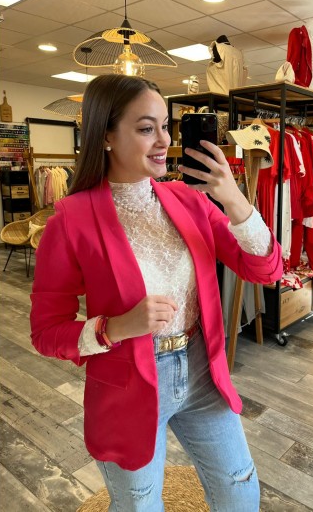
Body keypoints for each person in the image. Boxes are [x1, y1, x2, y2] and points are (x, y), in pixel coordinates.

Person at [30, 74, 283, 512]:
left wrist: (234, 199)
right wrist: (115, 327)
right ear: (106, 135)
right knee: (139, 504)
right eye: (147, 128)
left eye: (166, 126)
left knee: (240, 491)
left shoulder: (189, 201)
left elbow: (265, 269)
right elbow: (46, 332)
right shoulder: (71, 220)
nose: (164, 140)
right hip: (127, 384)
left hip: (202, 369)